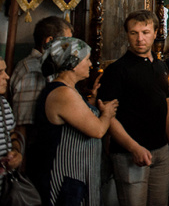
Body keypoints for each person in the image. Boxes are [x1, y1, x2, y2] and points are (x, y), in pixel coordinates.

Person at [97, 10, 169, 206]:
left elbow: (167, 107)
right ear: (127, 35)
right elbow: (108, 116)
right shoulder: (117, 70)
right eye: (134, 33)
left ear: (155, 32)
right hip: (129, 154)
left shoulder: (160, 66)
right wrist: (133, 147)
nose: (140, 38)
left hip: (160, 150)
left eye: (145, 32)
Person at [31, 37, 118, 205]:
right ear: (73, 63)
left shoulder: (70, 90)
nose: (91, 64)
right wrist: (107, 113)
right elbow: (98, 130)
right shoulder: (63, 93)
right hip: (66, 178)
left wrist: (92, 101)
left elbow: (79, 116)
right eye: (87, 59)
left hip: (77, 176)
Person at [10, 16, 73, 141]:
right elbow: (24, 125)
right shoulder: (32, 70)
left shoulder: (51, 67)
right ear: (49, 41)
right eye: (67, 42)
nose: (71, 48)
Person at [0, 59, 23, 197]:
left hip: (5, 190)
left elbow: (12, 135)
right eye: (0, 72)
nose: (7, 76)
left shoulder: (3, 104)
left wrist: (16, 152)